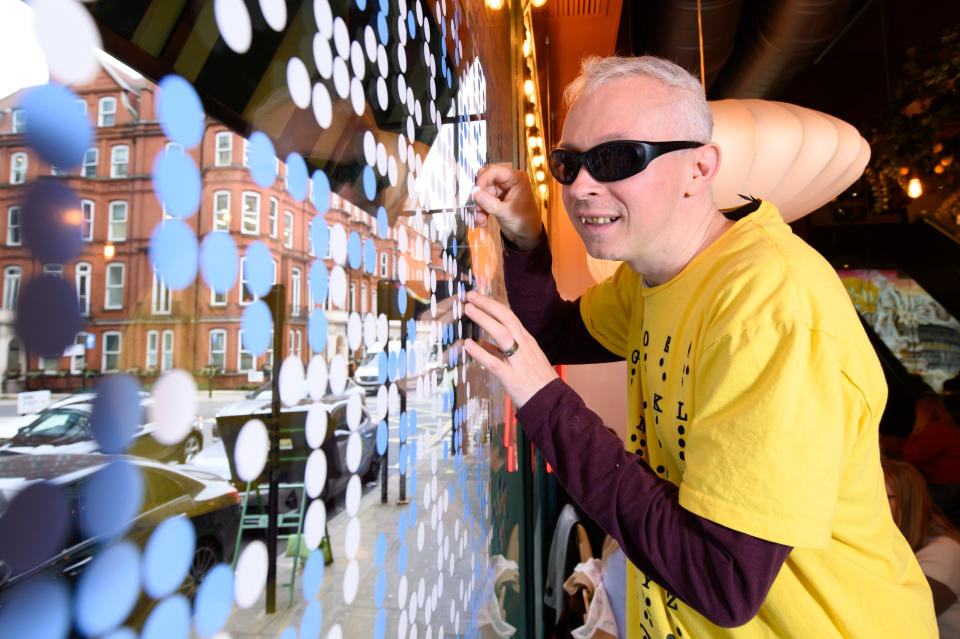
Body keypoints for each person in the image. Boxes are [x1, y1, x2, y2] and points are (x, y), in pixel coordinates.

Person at [461, 55, 937, 637]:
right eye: (570, 163)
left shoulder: (769, 305)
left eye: (615, 158)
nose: (582, 186)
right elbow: (556, 334)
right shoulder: (653, 278)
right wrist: (527, 234)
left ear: (699, 168)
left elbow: (724, 578)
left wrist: (543, 399)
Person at [884, 458, 960, 637]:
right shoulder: (900, 542)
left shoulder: (945, 551)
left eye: (881, 496)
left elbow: (898, 617)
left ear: (907, 502)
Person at [904, 394, 960, 518]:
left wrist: (915, 431)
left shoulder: (936, 430)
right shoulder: (949, 428)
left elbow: (912, 457)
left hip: (944, 487)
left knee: (907, 504)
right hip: (953, 486)